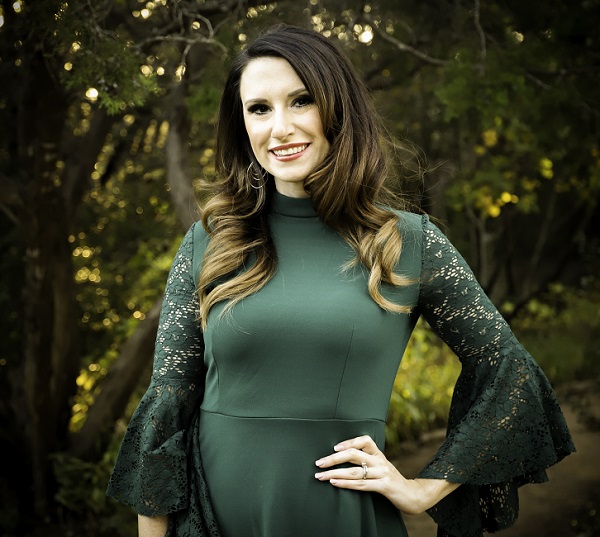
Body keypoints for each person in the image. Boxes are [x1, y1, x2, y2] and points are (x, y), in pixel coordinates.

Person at [106, 25, 575, 537]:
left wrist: (424, 489)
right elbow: (166, 412)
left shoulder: (408, 242)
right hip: (213, 521)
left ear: (339, 108)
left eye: (301, 101)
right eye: (259, 109)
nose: (280, 127)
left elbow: (511, 373)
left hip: (343, 519)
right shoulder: (209, 242)